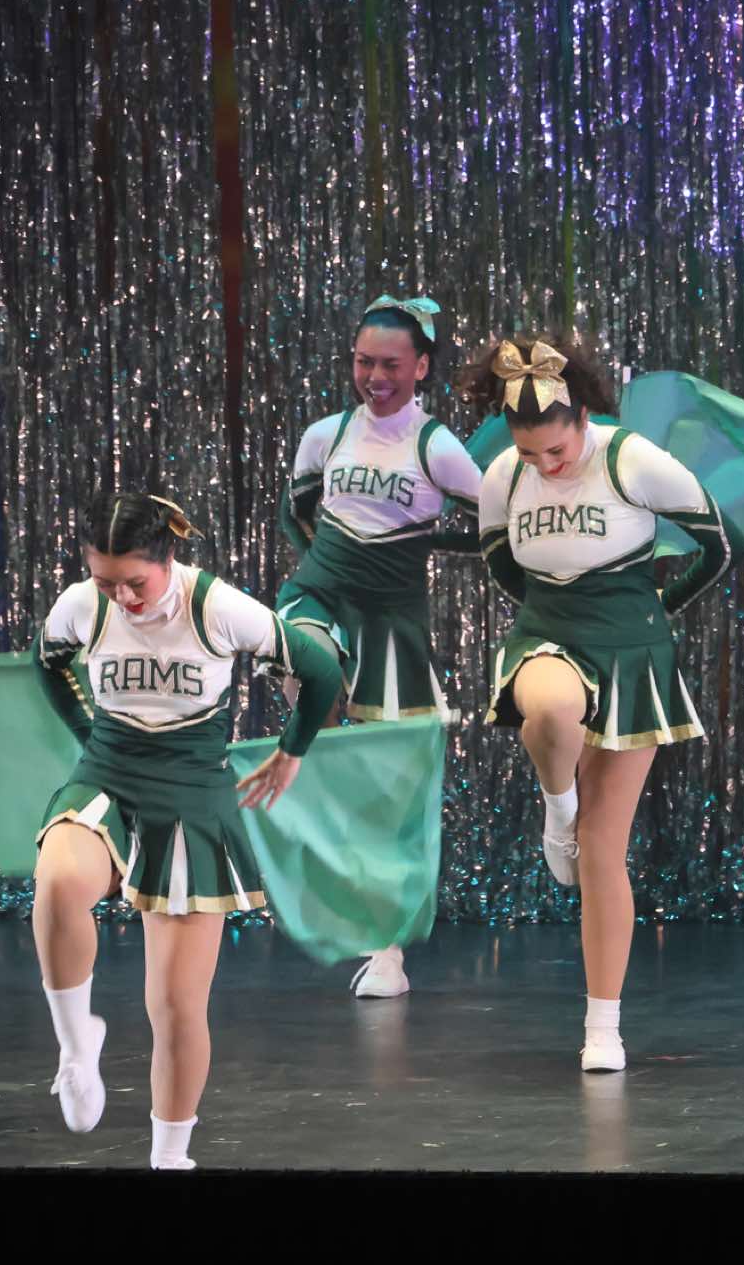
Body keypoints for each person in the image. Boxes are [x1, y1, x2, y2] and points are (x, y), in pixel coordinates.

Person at [31, 492, 344, 1167]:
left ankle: (170, 1158)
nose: (121, 598)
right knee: (57, 881)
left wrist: (290, 751)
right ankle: (77, 1048)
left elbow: (320, 671)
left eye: (134, 583)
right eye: (105, 581)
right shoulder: (83, 605)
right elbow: (47, 661)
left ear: (167, 557)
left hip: (190, 791)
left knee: (175, 1007)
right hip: (109, 773)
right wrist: (87, 734)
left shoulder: (218, 607)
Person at [471, 332, 742, 1073]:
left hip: (632, 650)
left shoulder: (633, 460)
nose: (545, 465)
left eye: (556, 450)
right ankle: (556, 808)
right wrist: (549, 612)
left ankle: (603, 1025)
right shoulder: (503, 475)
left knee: (603, 852)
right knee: (551, 711)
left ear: (583, 417)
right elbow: (499, 562)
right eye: (530, 453)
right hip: (547, 634)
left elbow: (722, 546)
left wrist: (662, 607)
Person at [276, 294, 482, 999]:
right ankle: (318, 734)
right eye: (364, 361)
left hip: (393, 622)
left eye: (391, 364)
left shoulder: (440, 448)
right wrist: (326, 565)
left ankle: (385, 951)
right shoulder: (325, 435)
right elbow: (297, 511)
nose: (375, 377)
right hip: (319, 596)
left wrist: (430, 540)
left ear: (421, 366)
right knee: (309, 667)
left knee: (385, 797)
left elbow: (499, 527)